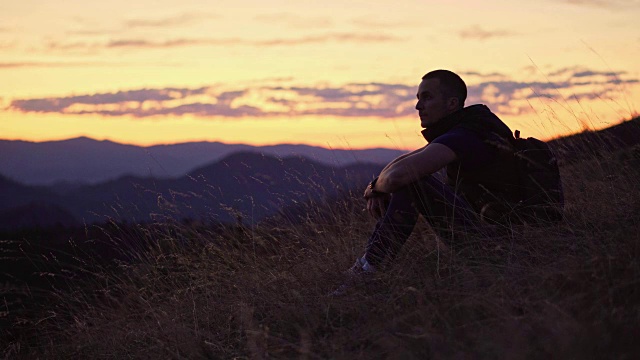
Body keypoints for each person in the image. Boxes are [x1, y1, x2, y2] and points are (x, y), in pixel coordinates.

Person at [332, 69, 531, 294]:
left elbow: (400, 175)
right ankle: (366, 265)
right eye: (418, 99)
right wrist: (376, 185)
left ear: (452, 103)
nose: (418, 107)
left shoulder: (464, 136)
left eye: (427, 98)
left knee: (413, 182)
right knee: (411, 178)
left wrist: (376, 188)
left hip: (496, 245)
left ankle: (369, 270)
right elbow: (405, 162)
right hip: (500, 237)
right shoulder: (470, 128)